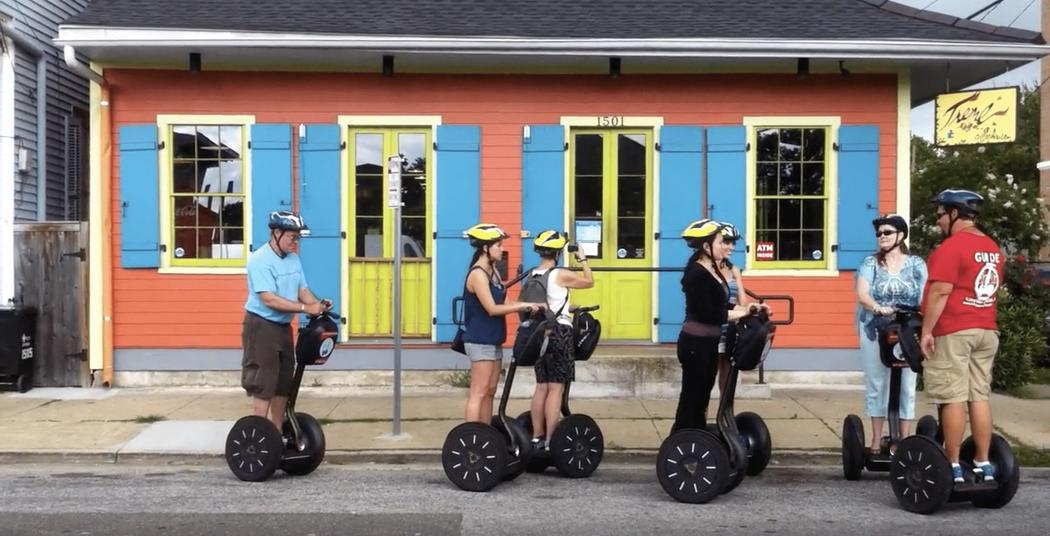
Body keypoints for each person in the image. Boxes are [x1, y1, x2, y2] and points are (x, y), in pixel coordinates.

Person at [920, 189, 1003, 484]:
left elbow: (941, 291)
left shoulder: (952, 247)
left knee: (952, 396)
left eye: (941, 214)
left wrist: (927, 331)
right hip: (985, 329)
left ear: (955, 213)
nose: (939, 221)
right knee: (978, 395)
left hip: (955, 329)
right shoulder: (992, 247)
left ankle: (952, 464)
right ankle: (983, 461)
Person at [672, 219, 767, 433]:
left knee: (700, 397)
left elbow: (724, 304)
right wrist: (745, 313)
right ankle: (685, 443)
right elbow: (712, 313)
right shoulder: (697, 274)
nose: (727, 247)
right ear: (706, 246)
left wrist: (753, 309)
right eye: (721, 242)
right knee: (693, 400)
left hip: (706, 343)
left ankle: (692, 441)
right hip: (696, 344)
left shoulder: (711, 271)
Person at [242, 210, 332, 432]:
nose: (295, 242)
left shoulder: (293, 260)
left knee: (283, 381)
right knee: (264, 381)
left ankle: (277, 432)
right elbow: (269, 299)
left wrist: (318, 306)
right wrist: (304, 308)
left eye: (297, 237)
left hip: (282, 327)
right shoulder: (259, 260)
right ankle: (260, 432)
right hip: (261, 325)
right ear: (276, 233)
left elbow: (302, 290)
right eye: (292, 237)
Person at [855, 214, 927, 453]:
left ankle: (904, 442)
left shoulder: (916, 264)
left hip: (908, 329)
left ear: (900, 235)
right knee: (877, 383)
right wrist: (877, 307)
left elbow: (926, 295)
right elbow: (862, 293)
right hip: (876, 328)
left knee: (907, 385)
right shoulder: (870, 263)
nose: (881, 237)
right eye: (879, 234)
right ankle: (876, 440)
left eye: (886, 232)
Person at [461, 223, 542, 423]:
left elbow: (505, 302)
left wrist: (530, 308)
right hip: (480, 339)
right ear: (485, 248)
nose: (502, 248)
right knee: (478, 392)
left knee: (490, 390)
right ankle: (473, 436)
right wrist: (522, 305)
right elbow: (492, 308)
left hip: (493, 338)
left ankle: (486, 434)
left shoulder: (493, 272)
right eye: (498, 245)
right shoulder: (478, 274)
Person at [526, 230, 594, 451]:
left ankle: (536, 436)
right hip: (559, 334)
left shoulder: (533, 274)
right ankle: (551, 441)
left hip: (539, 334)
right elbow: (588, 281)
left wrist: (569, 307)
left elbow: (549, 302)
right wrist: (582, 258)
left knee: (541, 387)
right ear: (557, 252)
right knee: (556, 389)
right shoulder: (560, 273)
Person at [715, 222, 750, 393]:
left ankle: (724, 413)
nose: (731, 247)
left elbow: (742, 299)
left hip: (730, 327)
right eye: (727, 242)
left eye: (733, 243)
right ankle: (701, 417)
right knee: (706, 377)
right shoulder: (707, 269)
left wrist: (746, 310)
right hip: (712, 326)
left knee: (727, 372)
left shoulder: (734, 269)